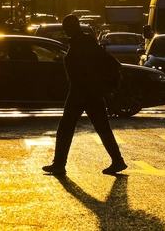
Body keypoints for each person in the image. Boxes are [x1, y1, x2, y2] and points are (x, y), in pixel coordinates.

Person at [42, 14, 127, 176]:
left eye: (66, 26)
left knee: (66, 127)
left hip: (81, 91)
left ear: (72, 27)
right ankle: (117, 160)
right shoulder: (85, 41)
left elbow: (85, 68)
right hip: (91, 91)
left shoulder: (80, 43)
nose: (64, 30)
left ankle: (59, 164)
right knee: (102, 128)